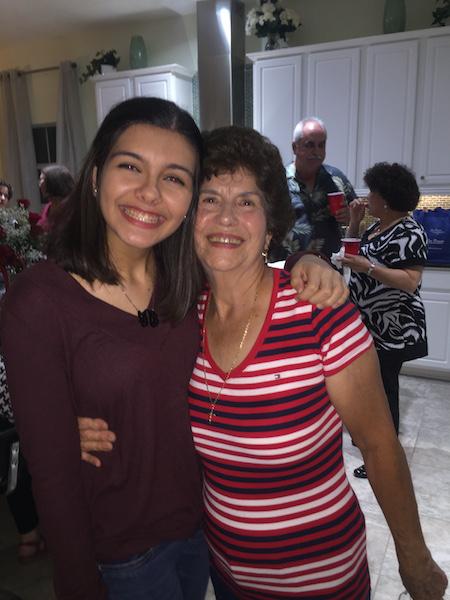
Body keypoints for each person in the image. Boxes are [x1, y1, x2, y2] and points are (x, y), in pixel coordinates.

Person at [0, 97, 346, 600]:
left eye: (175, 178)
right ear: (96, 173)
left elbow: (249, 257)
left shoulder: (186, 279)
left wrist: (300, 262)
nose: (150, 192)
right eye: (130, 167)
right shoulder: (40, 298)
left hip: (205, 533)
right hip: (122, 555)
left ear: (189, 198)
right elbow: (52, 481)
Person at [81, 127, 447, 600]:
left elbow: (378, 447)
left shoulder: (320, 314)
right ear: (190, 219)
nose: (226, 218)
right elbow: (135, 394)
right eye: (210, 199)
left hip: (321, 579)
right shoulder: (181, 318)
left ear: (271, 223)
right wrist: (81, 424)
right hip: (228, 575)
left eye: (247, 202)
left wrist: (414, 559)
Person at [342, 162, 428, 480]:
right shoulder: (377, 227)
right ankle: (374, 440)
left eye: (373, 192)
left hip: (394, 328)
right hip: (369, 325)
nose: (368, 197)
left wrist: (368, 268)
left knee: (384, 391)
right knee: (372, 388)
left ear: (387, 199)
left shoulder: (410, 231)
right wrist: (353, 223)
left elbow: (410, 281)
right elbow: (353, 252)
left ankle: (385, 457)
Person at [278, 117, 356, 260]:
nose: (317, 152)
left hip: (328, 268)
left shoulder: (336, 179)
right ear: (295, 147)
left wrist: (350, 217)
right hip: (287, 266)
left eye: (321, 145)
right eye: (310, 145)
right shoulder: (278, 182)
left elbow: (357, 220)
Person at [37, 164, 75, 232]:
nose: (39, 184)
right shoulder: (48, 207)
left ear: (54, 181)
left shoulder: (70, 207)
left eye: (42, 179)